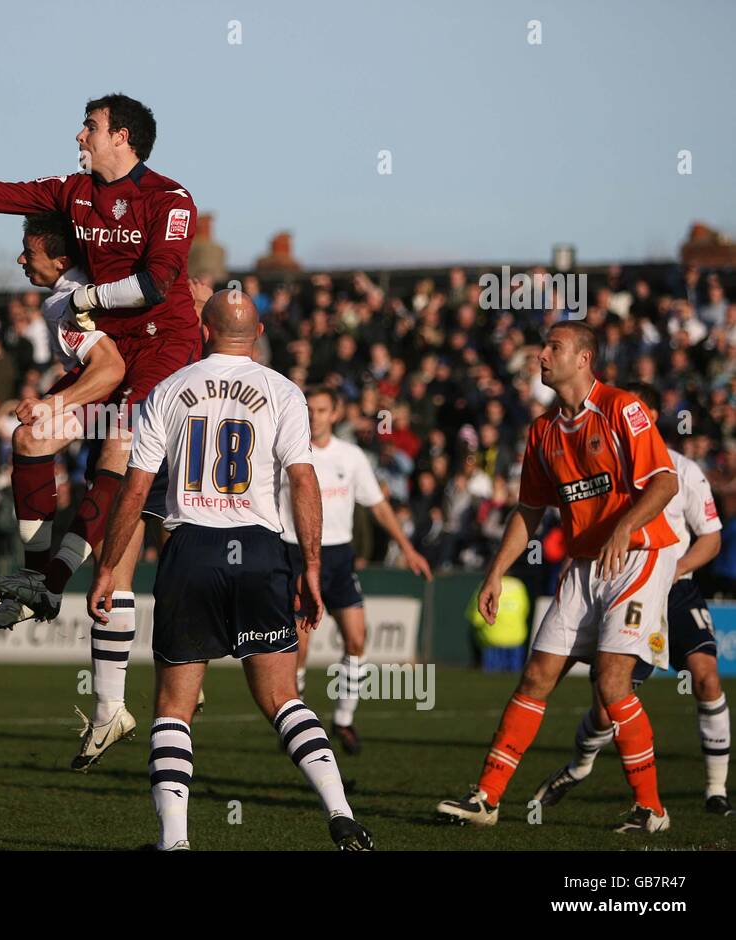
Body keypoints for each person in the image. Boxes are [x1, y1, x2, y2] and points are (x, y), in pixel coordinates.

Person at [0, 94, 200, 626]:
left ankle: (53, 586)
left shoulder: (170, 199)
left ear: (122, 137)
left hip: (164, 347)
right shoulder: (72, 192)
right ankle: (32, 580)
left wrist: (86, 301)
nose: (79, 136)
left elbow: (155, 283)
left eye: (89, 127)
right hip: (110, 349)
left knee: (120, 442)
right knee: (31, 437)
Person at [88, 290, 374, 851]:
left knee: (173, 706)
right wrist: (311, 566)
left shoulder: (167, 390)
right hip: (261, 551)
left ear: (203, 328)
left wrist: (105, 567)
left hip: (190, 548)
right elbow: (303, 481)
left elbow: (136, 488)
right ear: (259, 331)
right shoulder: (285, 392)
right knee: (282, 699)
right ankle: (340, 812)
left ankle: (175, 844)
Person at [437, 321, 680, 834]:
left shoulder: (621, 407)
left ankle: (651, 809)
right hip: (585, 564)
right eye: (542, 346)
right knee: (536, 676)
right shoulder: (543, 429)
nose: (542, 354)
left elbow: (664, 481)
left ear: (585, 358)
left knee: (612, 682)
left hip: (638, 555)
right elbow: (528, 509)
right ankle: (488, 797)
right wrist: (495, 573)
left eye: (554, 347)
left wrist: (624, 528)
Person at [0, 212, 145, 769]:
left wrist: (54, 402)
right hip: (135, 397)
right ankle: (112, 703)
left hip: (164, 402)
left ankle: (45, 584)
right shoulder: (82, 290)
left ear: (62, 258)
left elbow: (110, 367)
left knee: (115, 469)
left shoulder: (66, 301)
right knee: (35, 443)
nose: (21, 260)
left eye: (29, 251)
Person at [531, 382, 732, 816]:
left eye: (638, 410)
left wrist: (675, 570)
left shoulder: (682, 470)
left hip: (674, 590)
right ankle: (579, 767)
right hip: (624, 586)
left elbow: (711, 538)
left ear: (652, 416)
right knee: (607, 705)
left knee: (706, 677)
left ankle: (715, 790)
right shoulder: (606, 463)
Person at [282, 386, 432, 755]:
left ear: (335, 413)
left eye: (321, 409)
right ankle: (295, 723)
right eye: (309, 409)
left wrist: (408, 548)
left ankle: (344, 719)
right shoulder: (285, 452)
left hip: (338, 557)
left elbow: (379, 506)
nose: (314, 415)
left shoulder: (351, 457)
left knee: (357, 639)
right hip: (295, 555)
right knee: (299, 648)